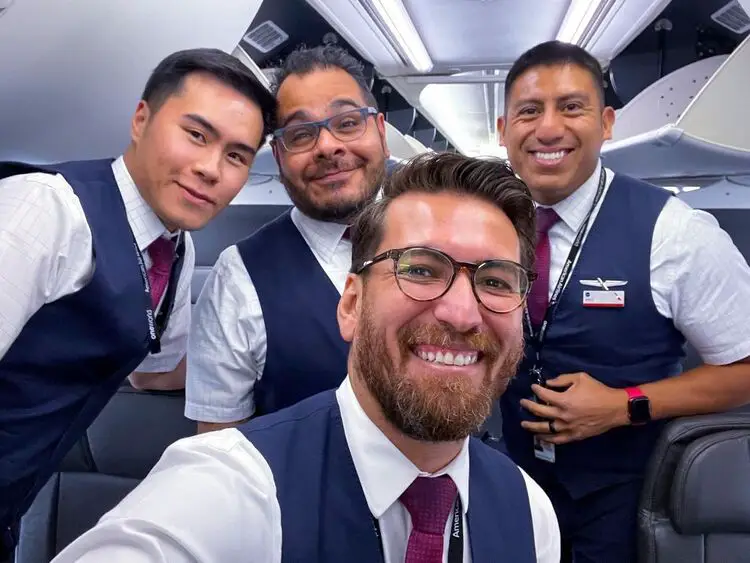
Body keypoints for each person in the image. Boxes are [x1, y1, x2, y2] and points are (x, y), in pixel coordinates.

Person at [0, 47, 275, 558]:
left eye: (237, 155)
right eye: (196, 135)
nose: (211, 168)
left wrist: (263, 357)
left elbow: (154, 370)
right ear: (141, 119)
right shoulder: (47, 209)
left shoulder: (174, 245)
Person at [496, 40, 750, 563]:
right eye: (528, 111)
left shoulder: (677, 231)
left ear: (606, 122)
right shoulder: (487, 226)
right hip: (515, 483)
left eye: (571, 107)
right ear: (503, 132)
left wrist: (622, 405)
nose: (548, 128)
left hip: (630, 496)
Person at [186, 45, 389, 432]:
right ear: (278, 157)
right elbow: (220, 449)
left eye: (347, 123)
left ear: (380, 131)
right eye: (300, 134)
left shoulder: (442, 234)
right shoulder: (238, 277)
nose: (328, 146)